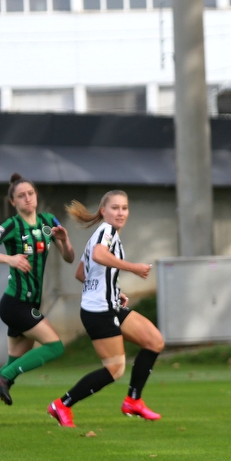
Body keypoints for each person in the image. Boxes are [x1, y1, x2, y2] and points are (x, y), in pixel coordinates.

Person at [47, 191, 165, 427]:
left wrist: (112, 288)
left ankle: (133, 400)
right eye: (115, 208)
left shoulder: (102, 235)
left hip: (109, 303)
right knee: (114, 369)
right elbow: (100, 256)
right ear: (104, 211)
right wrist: (132, 268)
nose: (120, 213)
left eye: (124, 208)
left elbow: (81, 273)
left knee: (154, 341)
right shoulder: (107, 231)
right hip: (99, 310)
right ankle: (62, 405)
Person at [0, 173, 75, 405]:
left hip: (32, 303)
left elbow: (69, 258)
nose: (27, 198)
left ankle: (4, 378)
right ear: (13, 202)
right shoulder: (11, 225)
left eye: (30, 193)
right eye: (21, 196)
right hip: (15, 304)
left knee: (14, 362)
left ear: (36, 195)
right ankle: (3, 377)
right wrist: (9, 259)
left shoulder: (49, 221)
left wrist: (64, 240)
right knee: (55, 347)